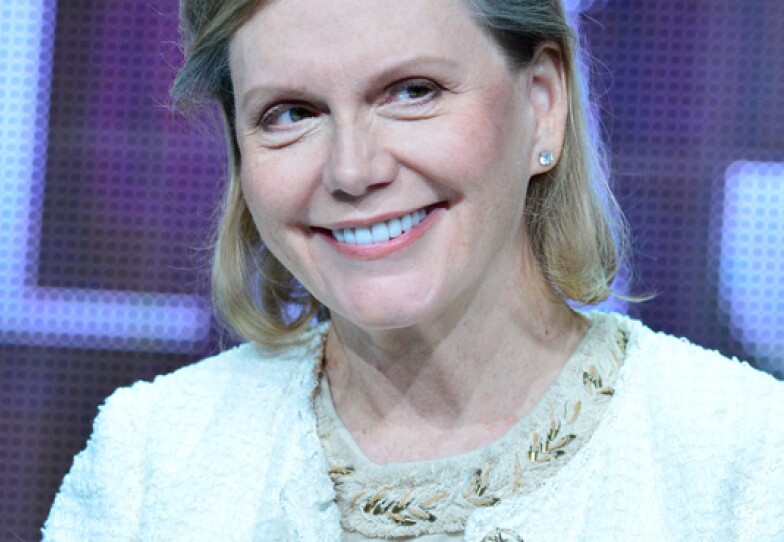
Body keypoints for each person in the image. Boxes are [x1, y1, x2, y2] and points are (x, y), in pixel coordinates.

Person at [42, 0, 784, 540]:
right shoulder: (153, 458)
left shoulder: (743, 459)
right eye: (290, 113)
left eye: (411, 92)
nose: (352, 170)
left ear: (544, 104)